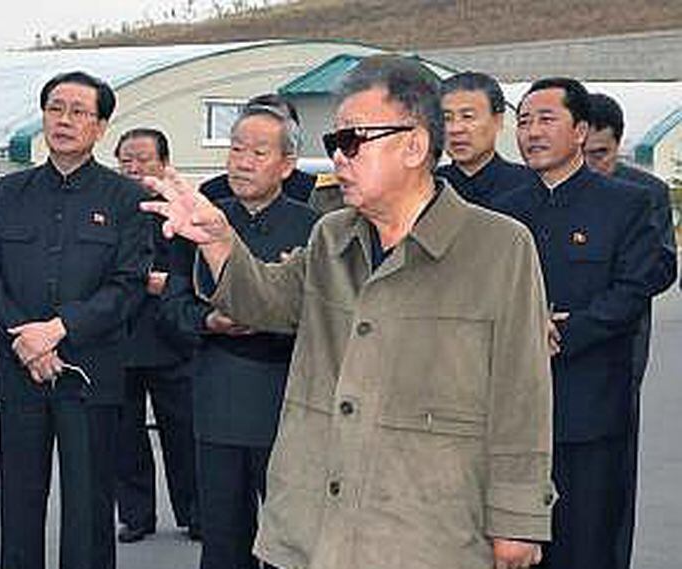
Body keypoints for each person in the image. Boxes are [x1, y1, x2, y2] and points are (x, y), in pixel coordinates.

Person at [142, 54, 553, 569]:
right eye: (334, 142)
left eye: (352, 141)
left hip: (430, 522)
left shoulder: (498, 246)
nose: (338, 157)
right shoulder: (332, 235)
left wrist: (516, 518)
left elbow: (522, 393)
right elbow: (265, 300)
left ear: (414, 145)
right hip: (320, 515)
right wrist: (219, 241)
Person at [0, 71, 152, 569]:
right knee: (19, 501)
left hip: (90, 373)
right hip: (20, 371)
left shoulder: (125, 198)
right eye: (55, 108)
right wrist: (26, 341)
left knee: (89, 506)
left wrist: (56, 330)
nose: (64, 120)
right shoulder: (9, 191)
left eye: (78, 111)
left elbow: (128, 285)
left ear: (101, 126)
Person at [494, 78, 659, 569]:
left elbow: (633, 290)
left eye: (546, 120)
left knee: (586, 546)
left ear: (581, 131)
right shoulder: (502, 214)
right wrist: (524, 329)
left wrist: (563, 332)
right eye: (524, 122)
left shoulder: (625, 204)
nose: (532, 132)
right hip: (512, 416)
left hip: (589, 410)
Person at [169, 103, 318, 569]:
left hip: (288, 400)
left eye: (258, 152)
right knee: (223, 536)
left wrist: (272, 313)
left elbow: (325, 314)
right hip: (218, 394)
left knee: (289, 538)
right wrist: (208, 321)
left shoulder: (315, 228)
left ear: (287, 164)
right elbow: (171, 306)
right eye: (236, 149)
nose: (243, 162)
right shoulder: (201, 221)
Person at [583, 91, 677, 569]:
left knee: (611, 475)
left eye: (600, 154)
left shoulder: (644, 194)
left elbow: (662, 268)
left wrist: (618, 284)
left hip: (619, 345)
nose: (590, 165)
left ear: (618, 146)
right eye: (583, 153)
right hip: (559, 348)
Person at [113, 127, 200, 543]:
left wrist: (169, 283)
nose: (133, 167)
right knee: (124, 436)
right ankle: (136, 515)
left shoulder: (185, 210)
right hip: (120, 338)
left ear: (164, 164)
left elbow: (203, 270)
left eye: (143, 159)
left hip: (173, 339)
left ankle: (196, 513)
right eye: (125, 160)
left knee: (184, 433)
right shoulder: (110, 207)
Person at [436, 71, 534, 207]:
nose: (455, 129)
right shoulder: (428, 184)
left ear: (498, 120)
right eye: (447, 118)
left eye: (467, 116)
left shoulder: (530, 184)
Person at [199, 93, 316, 204]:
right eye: (237, 149)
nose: (245, 164)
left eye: (259, 152)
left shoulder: (314, 193)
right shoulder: (211, 194)